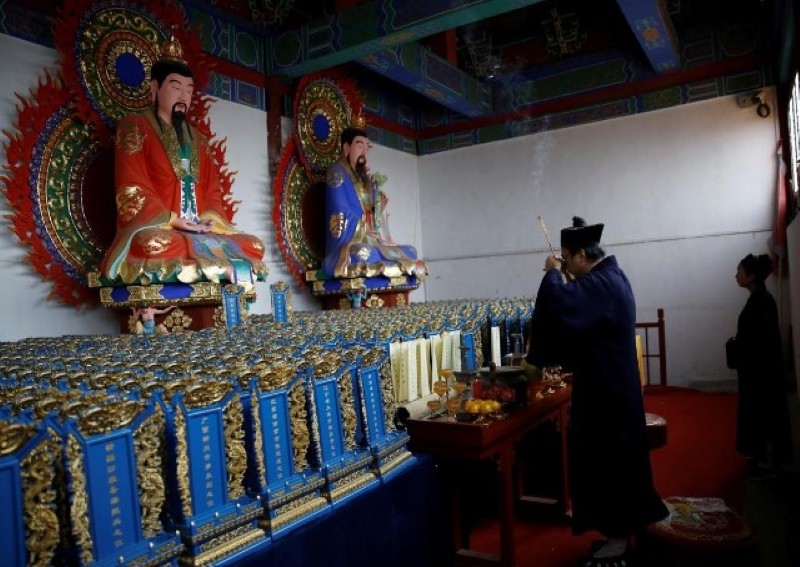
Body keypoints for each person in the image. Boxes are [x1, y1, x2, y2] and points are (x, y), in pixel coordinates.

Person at [527, 216, 667, 566]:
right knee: (606, 465)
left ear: (579, 256)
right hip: (608, 387)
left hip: (609, 396)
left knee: (612, 466)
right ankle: (613, 532)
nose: (564, 265)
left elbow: (562, 304)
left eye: (565, 259)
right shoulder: (610, 278)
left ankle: (619, 539)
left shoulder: (603, 283)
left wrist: (550, 274)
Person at [100, 35, 267, 290]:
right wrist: (173, 220)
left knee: (253, 244)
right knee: (153, 243)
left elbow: (213, 191)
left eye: (189, 91)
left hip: (201, 230)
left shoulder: (199, 139)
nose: (183, 96)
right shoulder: (134, 127)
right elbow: (131, 190)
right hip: (162, 228)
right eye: (176, 87)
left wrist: (210, 218)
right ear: (155, 89)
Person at [320, 115, 427, 279]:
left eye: (366, 147)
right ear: (346, 148)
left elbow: (372, 214)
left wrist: (379, 206)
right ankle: (383, 265)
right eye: (359, 145)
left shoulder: (365, 179)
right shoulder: (336, 173)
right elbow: (338, 213)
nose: (363, 151)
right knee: (364, 254)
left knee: (410, 251)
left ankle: (386, 265)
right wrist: (364, 228)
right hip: (348, 243)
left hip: (372, 240)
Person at [730, 253, 793, 479]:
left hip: (762, 374)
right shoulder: (759, 299)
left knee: (764, 414)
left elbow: (762, 342)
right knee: (759, 415)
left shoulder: (763, 301)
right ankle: (761, 456)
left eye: (740, 271)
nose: (736, 275)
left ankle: (769, 461)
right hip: (756, 371)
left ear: (752, 276)